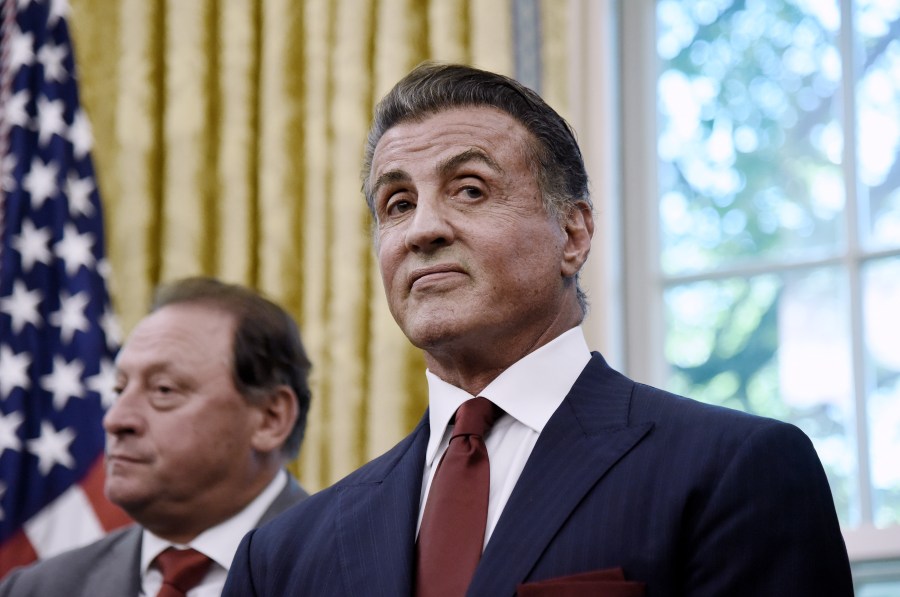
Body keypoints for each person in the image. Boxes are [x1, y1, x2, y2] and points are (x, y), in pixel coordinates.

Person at [223, 63, 853, 596]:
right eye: (398, 204)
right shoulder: (279, 559)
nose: (422, 230)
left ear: (572, 235)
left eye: (470, 190)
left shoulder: (734, 470)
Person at [0, 276, 313, 596]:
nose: (115, 420)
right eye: (119, 390)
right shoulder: (37, 589)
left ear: (270, 419)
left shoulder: (346, 570)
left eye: (163, 390)